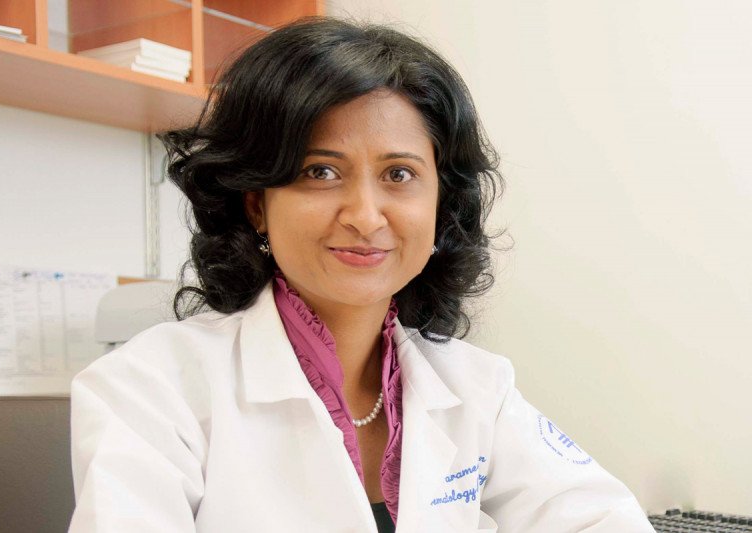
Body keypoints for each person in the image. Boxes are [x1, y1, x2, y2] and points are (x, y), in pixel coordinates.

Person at [69, 17, 654, 533]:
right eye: (320, 172)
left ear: (440, 205)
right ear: (256, 203)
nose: (366, 216)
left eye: (399, 175)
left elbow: (600, 519)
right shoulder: (151, 390)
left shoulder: (478, 390)